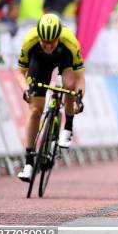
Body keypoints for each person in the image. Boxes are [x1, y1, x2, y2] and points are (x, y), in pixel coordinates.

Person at [15, 13, 85, 181]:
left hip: (64, 59)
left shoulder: (70, 41)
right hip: (39, 63)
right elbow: (19, 73)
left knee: (69, 86)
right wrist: (26, 90)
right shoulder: (30, 40)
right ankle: (29, 163)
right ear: (39, 37)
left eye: (51, 43)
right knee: (35, 110)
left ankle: (68, 126)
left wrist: (79, 99)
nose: (48, 47)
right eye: (44, 43)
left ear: (58, 38)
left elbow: (80, 78)